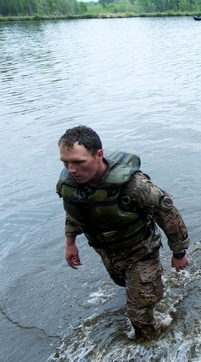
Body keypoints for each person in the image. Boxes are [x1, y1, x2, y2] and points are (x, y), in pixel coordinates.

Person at [56, 125, 190, 341]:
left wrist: (179, 253)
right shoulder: (70, 184)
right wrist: (70, 243)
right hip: (107, 251)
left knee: (137, 313)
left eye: (79, 162)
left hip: (141, 250)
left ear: (98, 155)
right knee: (124, 285)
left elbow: (168, 215)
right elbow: (73, 211)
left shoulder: (134, 187)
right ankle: (148, 288)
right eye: (65, 162)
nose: (71, 169)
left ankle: (151, 345)